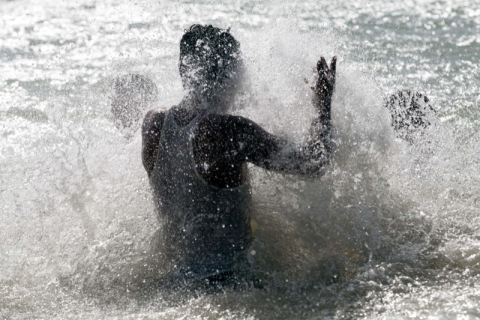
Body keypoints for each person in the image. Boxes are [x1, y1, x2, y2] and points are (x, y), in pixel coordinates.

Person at [112, 25, 336, 284]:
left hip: (176, 282)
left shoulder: (153, 124)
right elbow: (313, 163)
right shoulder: (229, 130)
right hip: (229, 281)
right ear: (229, 76)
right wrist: (323, 106)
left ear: (185, 72)